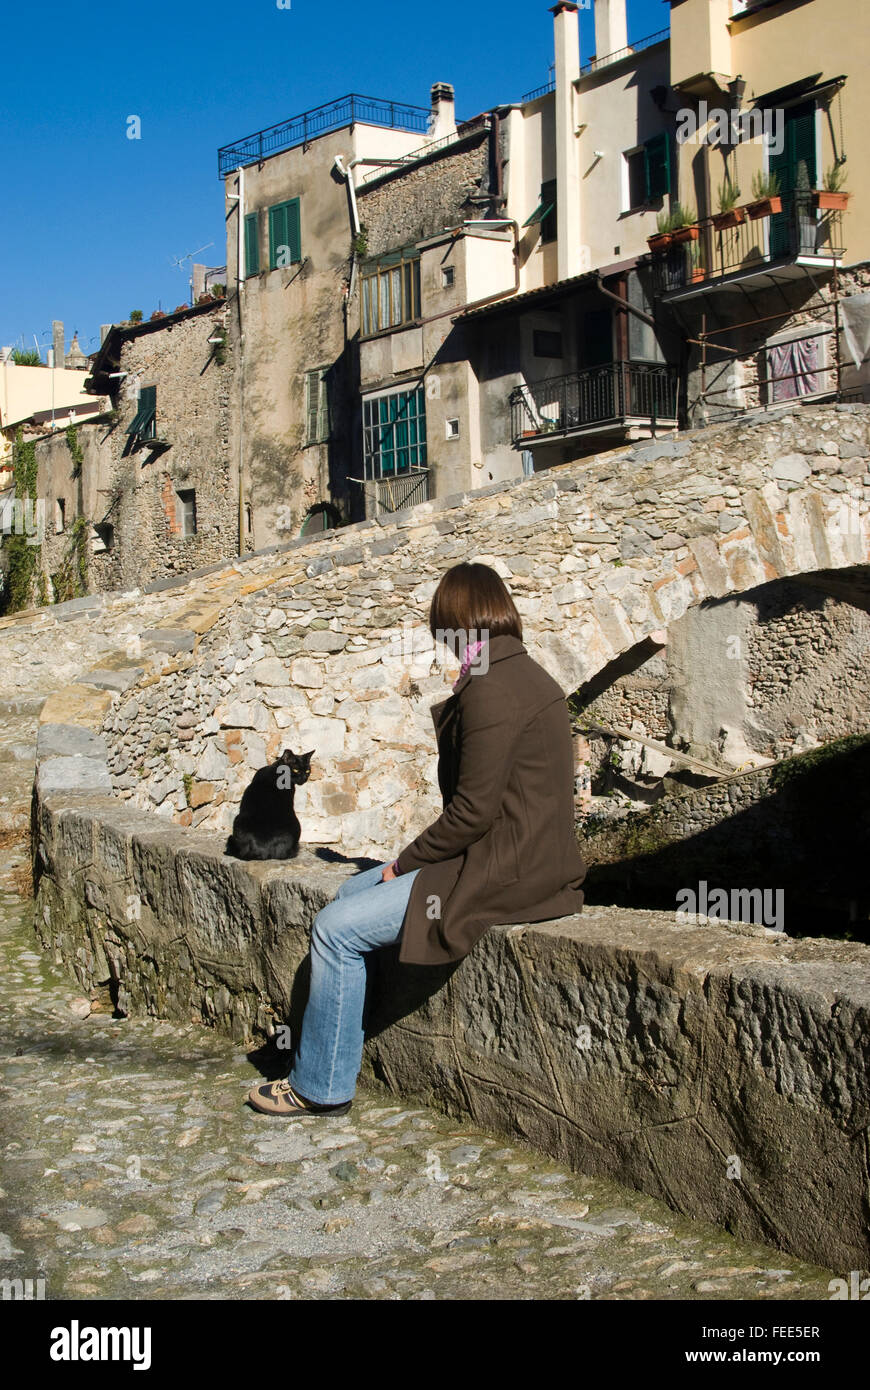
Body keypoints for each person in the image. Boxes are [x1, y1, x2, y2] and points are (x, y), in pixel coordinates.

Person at [247, 562, 586, 1118]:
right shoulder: (522, 672)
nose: (440, 641)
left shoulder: (490, 687)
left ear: (455, 621)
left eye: (441, 626)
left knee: (334, 929)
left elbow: (472, 812)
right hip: (524, 858)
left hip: (506, 869)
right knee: (348, 894)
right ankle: (334, 1044)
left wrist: (402, 864)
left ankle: (320, 1086)